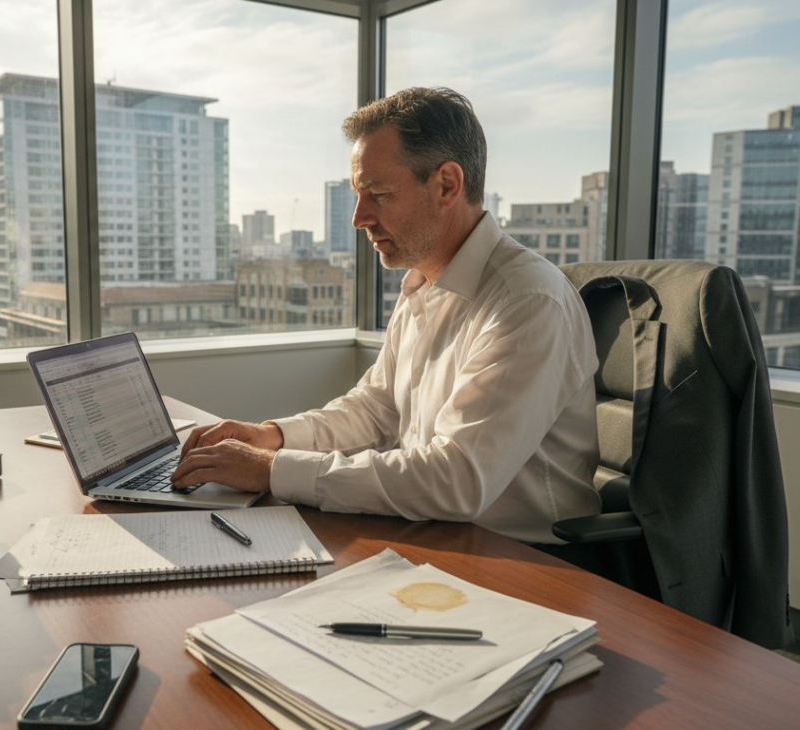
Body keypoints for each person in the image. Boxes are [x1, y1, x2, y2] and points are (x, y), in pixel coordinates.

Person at [171, 87, 601, 544]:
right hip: (435, 532)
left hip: (523, 558)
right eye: (359, 195)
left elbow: (457, 479)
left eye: (378, 194)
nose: (359, 218)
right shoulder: (423, 283)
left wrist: (273, 470)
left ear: (447, 185)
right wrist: (273, 437)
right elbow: (376, 411)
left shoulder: (527, 301)